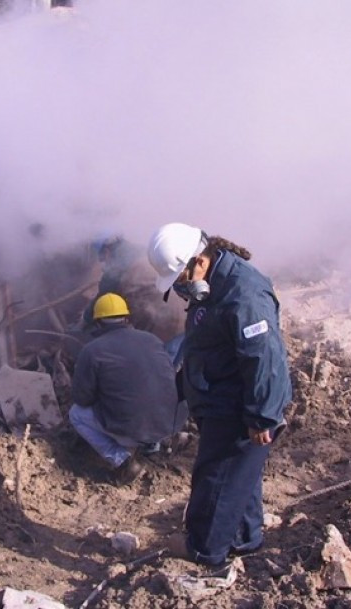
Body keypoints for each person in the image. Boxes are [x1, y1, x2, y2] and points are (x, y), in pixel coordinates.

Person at [146, 222, 293, 565]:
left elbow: (264, 357)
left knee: (216, 476)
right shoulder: (213, 285)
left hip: (238, 405)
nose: (181, 290)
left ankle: (204, 548)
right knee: (241, 475)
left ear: (199, 261)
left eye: (179, 280)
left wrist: (261, 416)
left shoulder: (244, 294)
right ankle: (244, 539)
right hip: (221, 395)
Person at [69, 293, 189, 485]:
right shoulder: (152, 339)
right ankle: (165, 439)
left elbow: (82, 398)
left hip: (133, 430)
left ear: (98, 323)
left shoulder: (92, 350)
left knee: (76, 414)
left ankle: (122, 461)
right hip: (173, 421)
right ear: (126, 318)